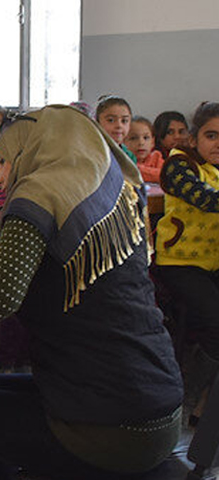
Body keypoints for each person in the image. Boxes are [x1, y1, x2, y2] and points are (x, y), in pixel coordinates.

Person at [0, 105, 183, 480]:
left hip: (106, 429)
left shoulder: (38, 193)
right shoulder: (111, 189)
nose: (0, 175)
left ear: (35, 151)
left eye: (8, 159)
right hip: (156, 407)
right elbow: (66, 269)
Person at [155, 101, 219, 427]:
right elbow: (204, 198)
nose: (218, 143)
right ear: (194, 139)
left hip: (211, 265)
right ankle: (189, 396)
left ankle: (205, 399)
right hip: (178, 263)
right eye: (211, 135)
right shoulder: (179, 165)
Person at [96, 95, 136, 164]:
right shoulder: (94, 152)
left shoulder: (129, 156)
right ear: (97, 122)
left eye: (124, 121)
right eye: (111, 120)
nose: (119, 125)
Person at [126, 116, 164, 183]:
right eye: (133, 138)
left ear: (152, 142)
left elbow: (165, 175)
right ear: (123, 142)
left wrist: (138, 169)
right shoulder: (124, 160)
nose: (141, 143)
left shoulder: (156, 157)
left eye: (146, 138)